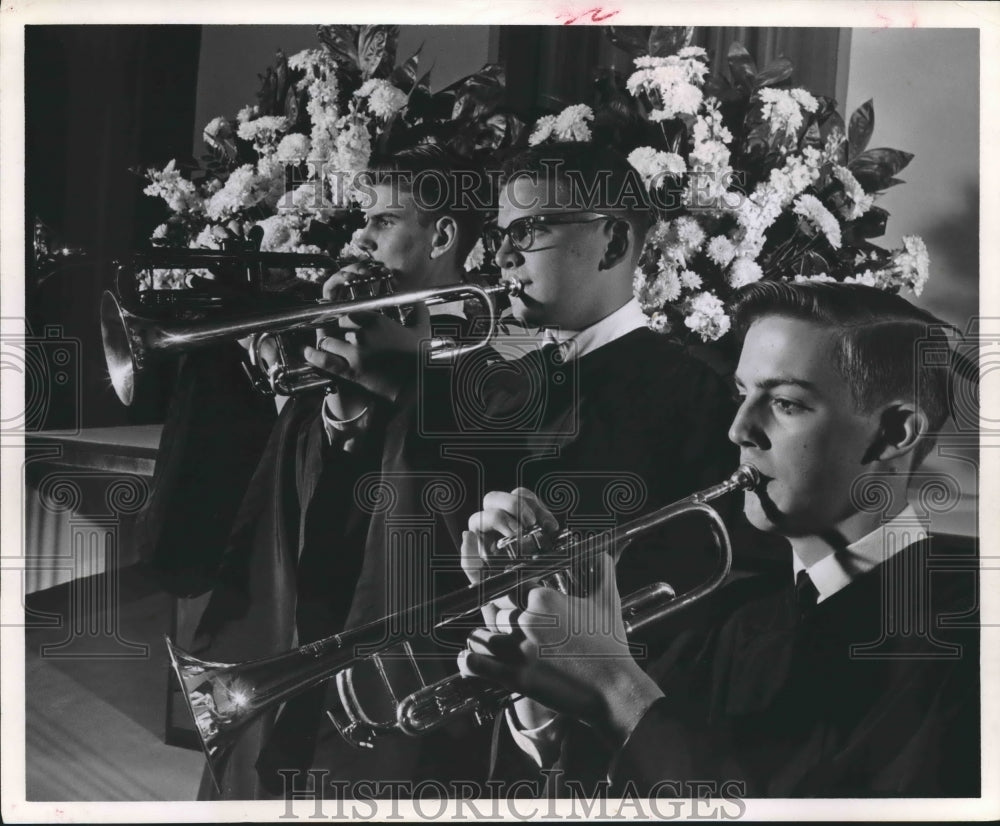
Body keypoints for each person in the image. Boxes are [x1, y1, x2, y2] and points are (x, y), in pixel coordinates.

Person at [293, 141, 743, 797]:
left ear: (613, 242)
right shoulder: (513, 373)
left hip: (553, 747)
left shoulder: (688, 393)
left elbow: (579, 563)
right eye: (503, 233)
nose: (501, 255)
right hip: (423, 714)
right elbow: (393, 529)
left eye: (529, 230)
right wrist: (359, 398)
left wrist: (415, 388)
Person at [459, 281, 980, 797]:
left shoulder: (972, 626)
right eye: (741, 394)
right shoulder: (735, 621)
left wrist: (617, 690)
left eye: (786, 403)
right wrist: (544, 697)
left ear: (895, 433)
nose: (738, 429)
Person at [188, 143, 496, 799]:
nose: (361, 237)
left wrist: (404, 383)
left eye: (384, 220)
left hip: (401, 668)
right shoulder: (357, 337)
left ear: (442, 236)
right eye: (364, 219)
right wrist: (337, 399)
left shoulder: (485, 366)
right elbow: (296, 491)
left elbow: (455, 503)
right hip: (307, 625)